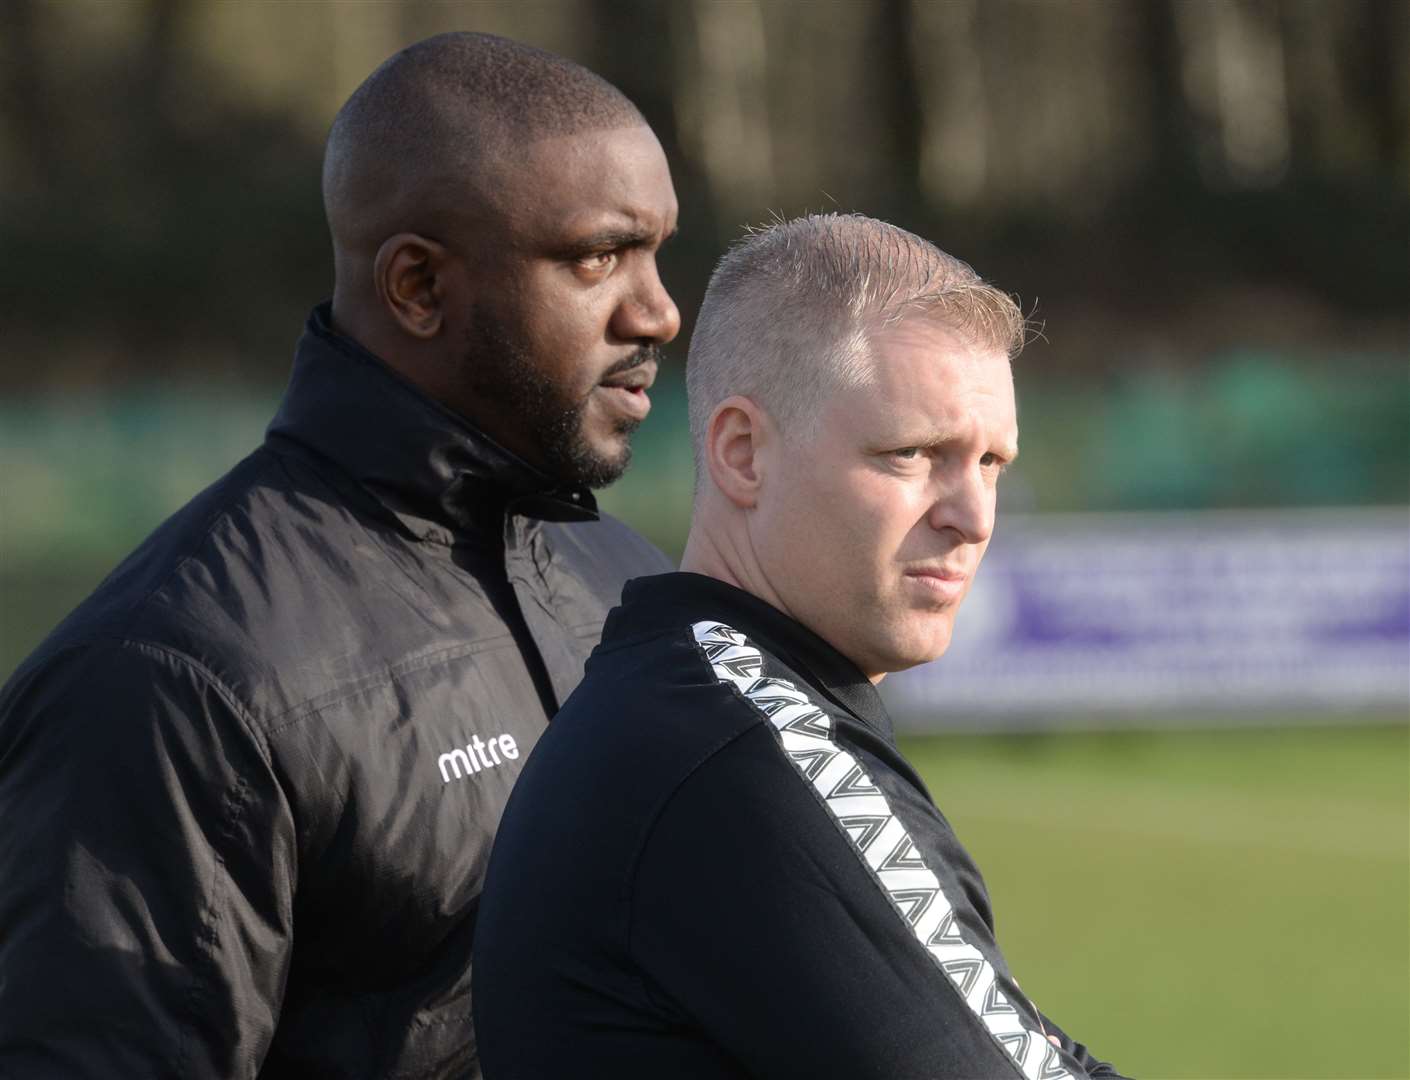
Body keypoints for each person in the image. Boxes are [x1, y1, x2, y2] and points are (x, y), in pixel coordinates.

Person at [0, 32, 679, 1078]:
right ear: (415, 286)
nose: (658, 311)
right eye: (597, 257)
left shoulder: (629, 582)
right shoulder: (167, 680)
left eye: (657, 254)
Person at [472, 213, 1127, 1079]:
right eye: (915, 454)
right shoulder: (745, 755)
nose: (972, 517)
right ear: (743, 454)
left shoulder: (689, 703)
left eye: (991, 463)